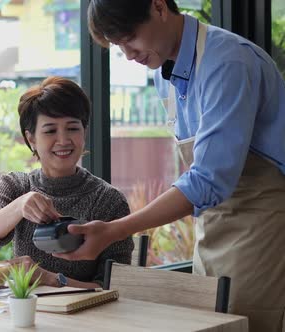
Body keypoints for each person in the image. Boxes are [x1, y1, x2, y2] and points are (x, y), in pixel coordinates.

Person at [55, 1, 285, 331]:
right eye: (118, 46)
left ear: (159, 7)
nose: (129, 54)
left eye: (130, 37)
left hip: (263, 227)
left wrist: (114, 230)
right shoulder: (165, 72)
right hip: (213, 230)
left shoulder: (228, 61)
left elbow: (207, 181)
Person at [0, 76, 134, 289]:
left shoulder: (108, 200)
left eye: (73, 128)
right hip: (24, 312)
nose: (64, 140)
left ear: (84, 132)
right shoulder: (17, 186)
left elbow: (116, 288)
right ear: (31, 139)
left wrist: (50, 278)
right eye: (50, 131)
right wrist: (19, 206)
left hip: (85, 316)